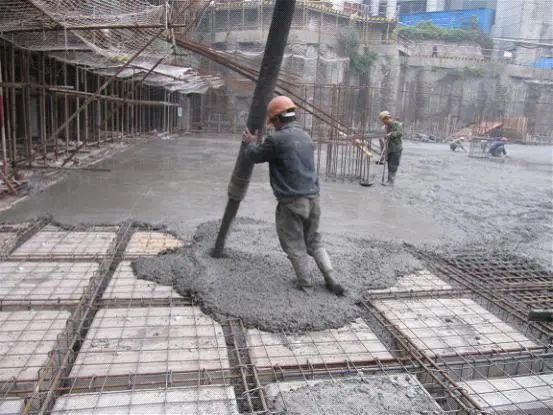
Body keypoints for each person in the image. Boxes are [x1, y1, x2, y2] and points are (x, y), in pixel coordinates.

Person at [241, 96, 345, 296]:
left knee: (294, 243)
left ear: (278, 119)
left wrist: (250, 143)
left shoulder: (276, 140)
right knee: (314, 240)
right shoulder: (306, 136)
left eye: (273, 122)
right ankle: (331, 278)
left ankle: (306, 285)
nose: (273, 126)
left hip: (292, 201)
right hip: (313, 198)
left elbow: (255, 156)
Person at [379, 110, 403, 185]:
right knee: (389, 165)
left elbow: (399, 133)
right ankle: (389, 180)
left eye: (384, 120)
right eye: (383, 121)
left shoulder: (397, 124)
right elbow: (383, 138)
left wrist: (391, 134)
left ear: (387, 118)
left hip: (396, 149)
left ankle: (391, 181)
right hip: (389, 148)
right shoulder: (385, 127)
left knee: (393, 165)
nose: (383, 122)